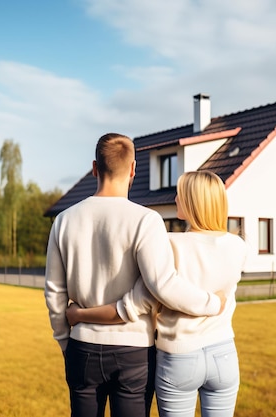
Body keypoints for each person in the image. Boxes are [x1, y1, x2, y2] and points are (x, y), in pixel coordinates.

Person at [44, 133, 226, 417]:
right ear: (132, 170)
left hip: (82, 347)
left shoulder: (64, 220)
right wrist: (212, 304)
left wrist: (66, 341)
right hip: (133, 352)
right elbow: (162, 284)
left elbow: (54, 293)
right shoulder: (146, 220)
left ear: (94, 168)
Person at [67, 170, 248, 417]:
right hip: (224, 354)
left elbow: (132, 305)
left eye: (180, 194)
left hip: (180, 358)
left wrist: (80, 314)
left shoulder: (169, 245)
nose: (175, 199)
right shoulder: (237, 246)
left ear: (195, 202)